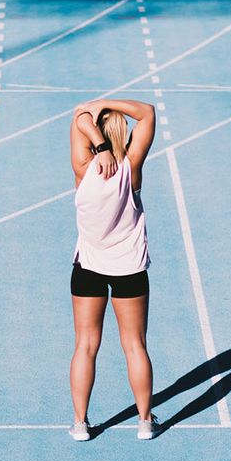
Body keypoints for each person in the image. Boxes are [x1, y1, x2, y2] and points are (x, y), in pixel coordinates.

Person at [68, 98, 160, 441]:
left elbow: (79, 115)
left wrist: (98, 141)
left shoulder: (82, 167)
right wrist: (108, 102)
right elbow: (148, 112)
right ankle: (145, 421)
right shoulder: (131, 166)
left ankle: (80, 423)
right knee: (135, 345)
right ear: (123, 133)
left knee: (85, 345)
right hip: (130, 270)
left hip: (88, 267)